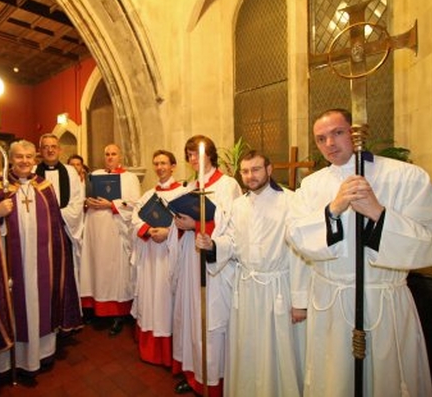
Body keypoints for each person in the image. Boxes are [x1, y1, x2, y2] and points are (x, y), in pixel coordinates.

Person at [285, 108, 432, 397]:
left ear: (356, 132)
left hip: (383, 300)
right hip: (332, 304)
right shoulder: (312, 185)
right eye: (321, 138)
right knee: (335, 382)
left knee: (385, 381)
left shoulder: (406, 176)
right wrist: (333, 211)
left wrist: (378, 213)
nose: (329, 144)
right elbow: (295, 235)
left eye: (337, 133)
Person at [196, 150, 310, 396]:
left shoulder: (291, 202)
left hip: (278, 288)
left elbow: (301, 253)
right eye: (245, 171)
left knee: (279, 349)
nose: (250, 176)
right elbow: (233, 244)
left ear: (269, 170)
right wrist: (213, 246)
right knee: (248, 347)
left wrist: (300, 301)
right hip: (246, 288)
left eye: (256, 169)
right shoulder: (238, 206)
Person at [0, 140, 82, 380]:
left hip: (42, 262)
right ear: (10, 159)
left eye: (28, 157)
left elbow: (56, 226)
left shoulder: (44, 187)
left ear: (34, 159)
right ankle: (8, 362)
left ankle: (42, 354)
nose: (24, 161)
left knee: (41, 303)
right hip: (11, 265)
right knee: (15, 306)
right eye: (19, 157)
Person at [172, 135, 241, 396]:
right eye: (189, 154)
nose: (192, 159)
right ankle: (195, 374)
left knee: (212, 319)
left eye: (196, 154)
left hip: (215, 263)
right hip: (192, 257)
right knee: (193, 315)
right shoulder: (191, 185)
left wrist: (198, 226)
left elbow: (232, 225)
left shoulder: (228, 184)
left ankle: (214, 380)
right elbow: (185, 221)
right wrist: (179, 225)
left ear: (210, 154)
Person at [130, 150, 188, 366]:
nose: (160, 167)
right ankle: (150, 349)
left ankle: (170, 352)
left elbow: (187, 221)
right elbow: (134, 219)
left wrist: (168, 232)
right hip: (149, 255)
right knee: (150, 296)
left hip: (169, 256)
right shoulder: (147, 195)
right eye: (156, 163)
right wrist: (147, 230)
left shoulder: (183, 193)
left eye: (164, 163)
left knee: (166, 298)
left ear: (173, 166)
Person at [79, 143, 141, 335]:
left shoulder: (129, 178)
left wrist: (111, 204)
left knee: (114, 271)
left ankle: (118, 314)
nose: (110, 157)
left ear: (120, 155)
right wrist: (87, 202)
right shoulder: (94, 175)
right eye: (107, 154)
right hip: (94, 229)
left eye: (114, 153)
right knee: (96, 267)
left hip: (115, 231)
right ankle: (96, 309)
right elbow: (82, 197)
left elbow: (134, 204)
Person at [35, 134, 85, 291]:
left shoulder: (70, 172)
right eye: (46, 147)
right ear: (40, 150)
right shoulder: (32, 173)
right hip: (39, 231)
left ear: (60, 149)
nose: (50, 150)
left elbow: (77, 201)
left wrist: (56, 216)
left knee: (65, 272)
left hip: (65, 230)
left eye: (53, 146)